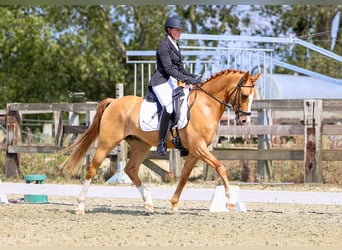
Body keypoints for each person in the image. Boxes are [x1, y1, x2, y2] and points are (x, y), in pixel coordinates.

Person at [148, 16, 200, 156]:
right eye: (177, 30)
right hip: (160, 81)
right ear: (169, 30)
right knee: (170, 107)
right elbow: (169, 69)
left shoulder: (176, 45)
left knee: (183, 106)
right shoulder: (163, 46)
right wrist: (186, 79)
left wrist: (192, 77)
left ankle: (180, 141)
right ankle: (161, 143)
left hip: (171, 81)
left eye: (180, 30)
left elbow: (180, 68)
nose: (179, 32)